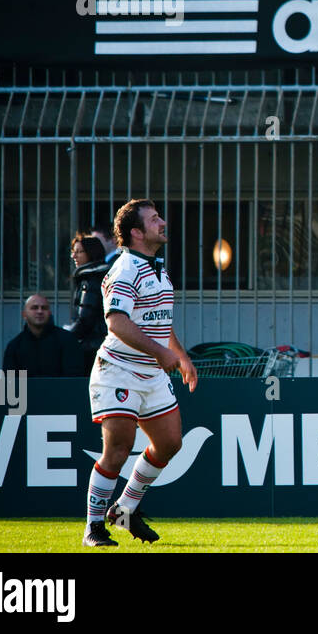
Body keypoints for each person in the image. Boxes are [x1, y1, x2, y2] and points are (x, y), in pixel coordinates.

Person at [82, 198, 198, 547]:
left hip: (152, 373)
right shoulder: (125, 269)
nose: (162, 222)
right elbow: (116, 321)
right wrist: (161, 352)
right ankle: (93, 527)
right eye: (154, 219)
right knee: (119, 448)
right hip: (118, 371)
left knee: (169, 444)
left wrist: (181, 356)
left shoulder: (158, 267)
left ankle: (125, 509)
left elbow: (159, 322)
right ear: (136, 232)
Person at [3, 293, 81, 376]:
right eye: (34, 308)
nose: (40, 311)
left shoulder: (68, 341)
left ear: (49, 313)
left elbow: (74, 378)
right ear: (24, 315)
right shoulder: (14, 346)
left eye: (44, 308)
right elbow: (10, 383)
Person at [66, 231, 109, 373]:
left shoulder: (91, 280)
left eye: (79, 252)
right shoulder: (95, 277)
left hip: (92, 347)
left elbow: (85, 320)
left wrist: (64, 336)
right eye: (73, 251)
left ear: (91, 253)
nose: (74, 256)